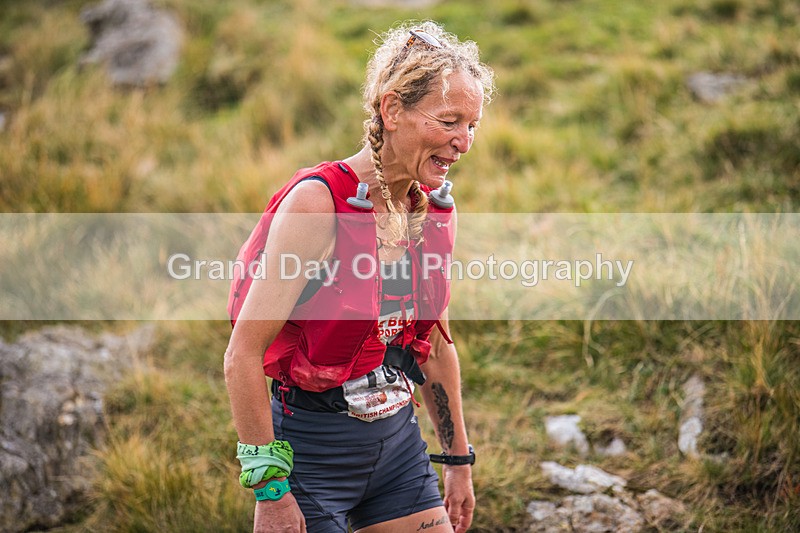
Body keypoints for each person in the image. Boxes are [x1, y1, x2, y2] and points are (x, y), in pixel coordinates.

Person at [224, 20, 494, 533]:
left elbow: (435, 348)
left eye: (473, 125)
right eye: (449, 121)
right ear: (392, 109)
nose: (464, 142)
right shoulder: (317, 205)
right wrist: (272, 491)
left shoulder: (432, 210)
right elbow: (241, 355)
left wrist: (458, 461)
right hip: (310, 457)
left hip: (398, 451)